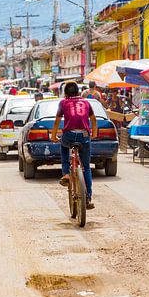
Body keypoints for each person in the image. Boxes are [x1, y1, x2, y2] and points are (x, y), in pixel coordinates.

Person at [51, 82, 98, 210]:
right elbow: (93, 120)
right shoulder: (86, 102)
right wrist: (94, 133)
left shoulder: (63, 103)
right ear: (78, 92)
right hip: (84, 136)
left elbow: (57, 122)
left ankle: (66, 173)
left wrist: (53, 136)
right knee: (86, 167)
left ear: (65, 93)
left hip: (69, 135)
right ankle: (88, 197)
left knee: (63, 146)